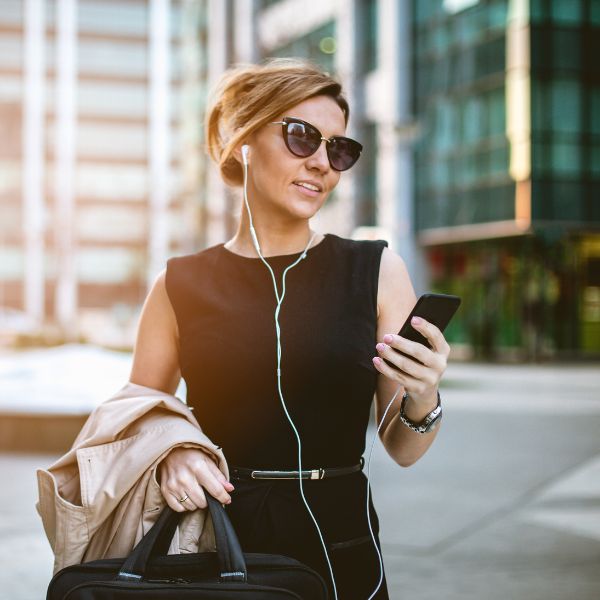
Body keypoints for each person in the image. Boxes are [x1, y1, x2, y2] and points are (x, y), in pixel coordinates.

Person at [129, 57, 451, 600]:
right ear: (243, 139)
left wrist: (423, 397)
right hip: (216, 545)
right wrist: (173, 450)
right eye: (302, 137)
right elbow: (135, 414)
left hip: (339, 546)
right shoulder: (177, 285)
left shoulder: (375, 270)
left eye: (340, 148)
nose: (325, 163)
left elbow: (402, 448)